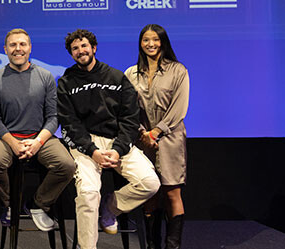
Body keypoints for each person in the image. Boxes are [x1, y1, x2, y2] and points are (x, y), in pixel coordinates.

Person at [57, 29, 160, 249]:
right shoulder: (66, 82)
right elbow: (69, 123)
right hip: (86, 146)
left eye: (84, 46)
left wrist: (118, 149)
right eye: (75, 48)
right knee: (87, 194)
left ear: (94, 48)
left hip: (117, 143)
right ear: (71, 54)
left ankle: (110, 208)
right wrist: (92, 150)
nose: (80, 51)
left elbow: (130, 118)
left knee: (150, 183)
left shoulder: (116, 77)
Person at [0, 28, 75, 230]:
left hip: (40, 138)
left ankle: (38, 204)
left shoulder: (45, 76)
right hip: (8, 138)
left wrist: (37, 142)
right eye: (13, 45)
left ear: (30, 48)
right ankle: (10, 205)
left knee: (66, 164)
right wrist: (13, 143)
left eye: (22, 44)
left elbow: (53, 117)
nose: (18, 49)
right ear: (5, 49)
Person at [124, 25, 189, 249]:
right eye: (145, 40)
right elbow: (128, 109)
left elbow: (179, 108)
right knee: (150, 192)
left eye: (155, 39)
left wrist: (157, 131)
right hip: (142, 140)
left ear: (163, 42)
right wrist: (143, 133)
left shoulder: (178, 70)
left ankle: (173, 246)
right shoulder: (131, 73)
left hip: (170, 138)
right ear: (140, 43)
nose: (150, 44)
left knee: (172, 192)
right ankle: (152, 245)